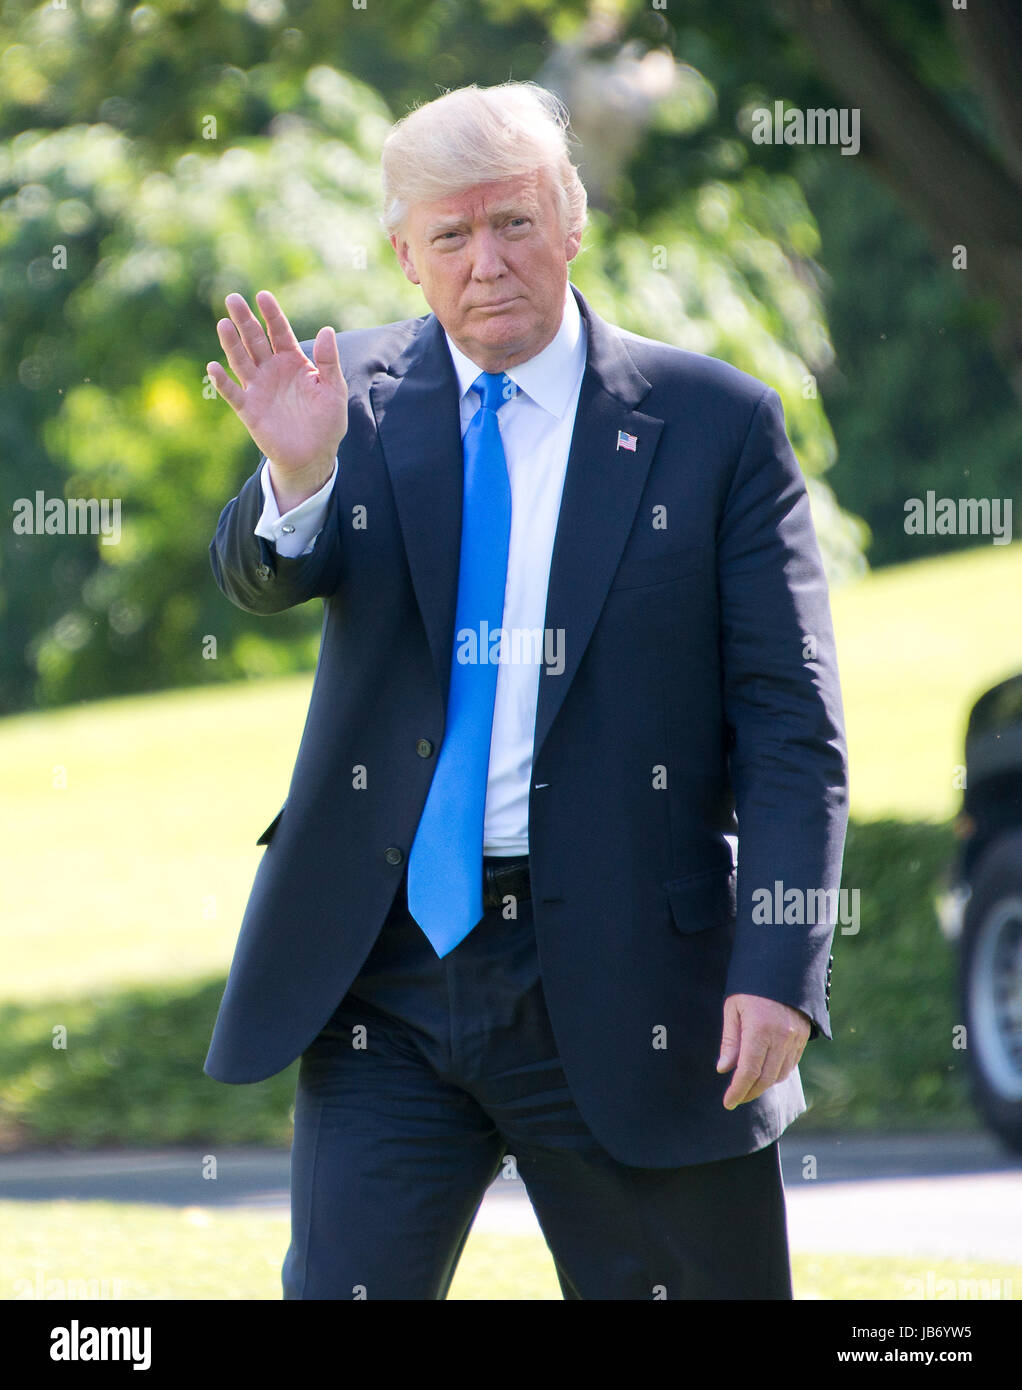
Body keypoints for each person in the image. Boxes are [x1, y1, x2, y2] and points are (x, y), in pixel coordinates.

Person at [203, 80, 848, 1300]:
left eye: (511, 222)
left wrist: (777, 961)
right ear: (405, 254)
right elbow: (262, 575)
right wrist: (296, 471)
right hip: (383, 976)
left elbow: (789, 728)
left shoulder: (712, 425)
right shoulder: (353, 404)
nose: (484, 263)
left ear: (570, 219)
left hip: (630, 981)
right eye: (449, 235)